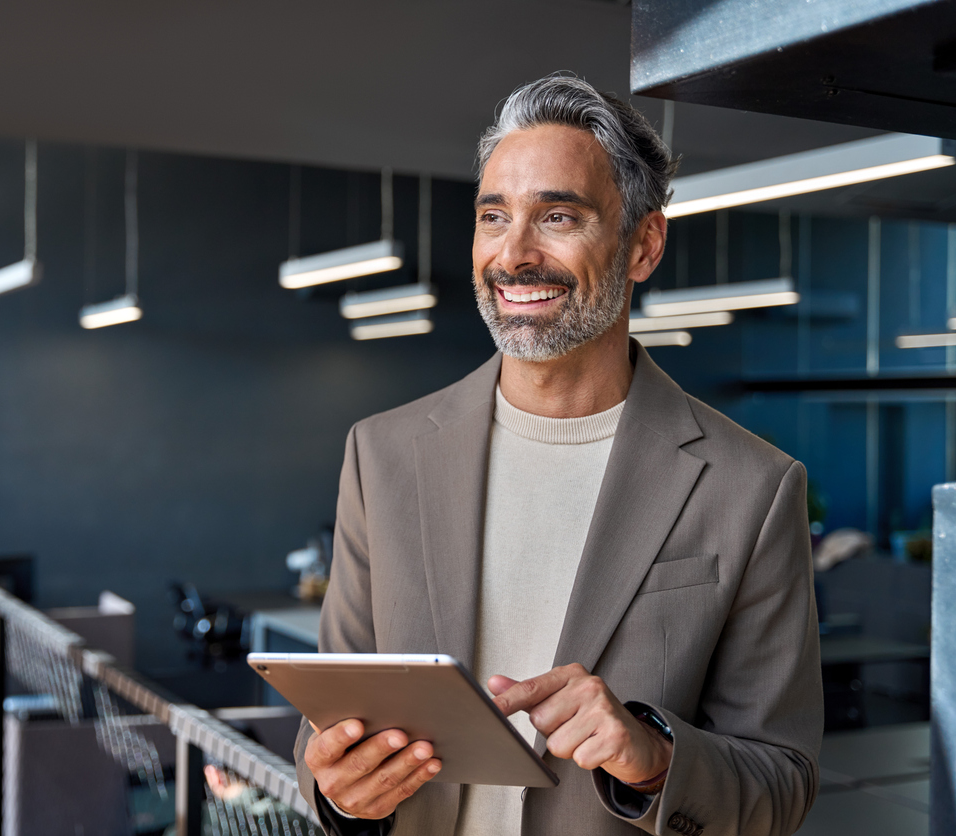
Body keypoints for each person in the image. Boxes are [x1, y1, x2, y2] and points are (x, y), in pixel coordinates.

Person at [293, 74, 822, 836]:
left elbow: (783, 782)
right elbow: (327, 730)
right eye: (493, 216)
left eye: (559, 216)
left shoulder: (753, 487)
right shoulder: (384, 455)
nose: (514, 254)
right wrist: (345, 793)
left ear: (643, 244)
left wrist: (654, 754)